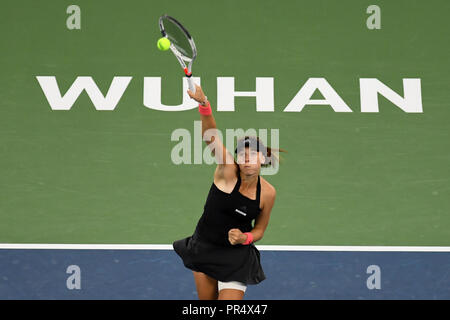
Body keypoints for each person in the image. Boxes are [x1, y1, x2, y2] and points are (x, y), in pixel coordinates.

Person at [173, 84, 282, 300]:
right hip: (204, 248)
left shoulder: (268, 193)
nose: (247, 159)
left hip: (235, 257)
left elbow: (260, 230)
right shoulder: (227, 172)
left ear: (263, 159)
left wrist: (245, 238)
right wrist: (204, 105)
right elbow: (210, 137)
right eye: (243, 155)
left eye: (253, 155)